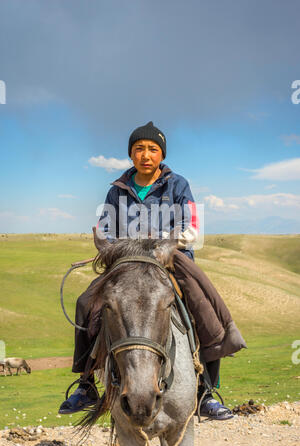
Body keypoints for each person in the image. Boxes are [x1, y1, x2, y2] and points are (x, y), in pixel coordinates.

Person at [58, 121, 246, 420]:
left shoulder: (178, 185)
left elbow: (192, 226)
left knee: (203, 305)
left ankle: (206, 391)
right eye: (139, 149)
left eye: (152, 149)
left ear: (161, 155)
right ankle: (86, 383)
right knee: (86, 302)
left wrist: (166, 244)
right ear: (131, 154)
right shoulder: (117, 191)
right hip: (129, 261)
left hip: (170, 258)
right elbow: (106, 228)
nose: (146, 155)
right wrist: (114, 246)